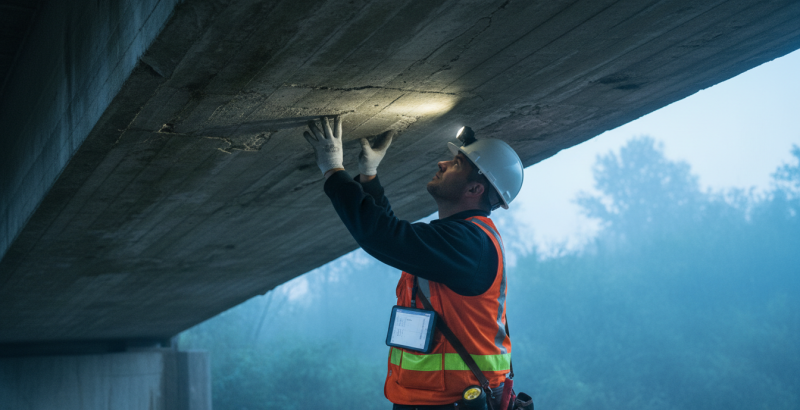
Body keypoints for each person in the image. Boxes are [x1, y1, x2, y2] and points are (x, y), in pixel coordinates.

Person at [303, 116, 524, 409]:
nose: (441, 164)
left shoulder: (469, 244)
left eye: (457, 164)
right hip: (436, 399)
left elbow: (385, 236)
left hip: (451, 402)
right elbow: (397, 238)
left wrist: (334, 171)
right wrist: (369, 178)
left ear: (474, 190)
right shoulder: (461, 238)